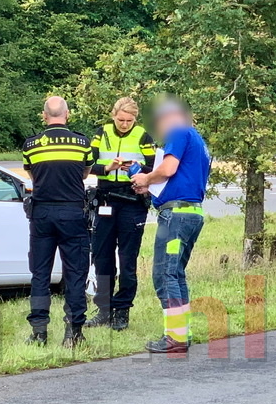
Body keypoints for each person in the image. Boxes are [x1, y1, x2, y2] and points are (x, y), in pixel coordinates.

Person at [130, 98, 212, 354]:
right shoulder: (198, 140)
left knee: (164, 273)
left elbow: (168, 168)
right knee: (176, 273)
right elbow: (179, 177)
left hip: (176, 215)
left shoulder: (179, 131)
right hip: (191, 213)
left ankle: (175, 337)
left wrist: (146, 177)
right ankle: (182, 332)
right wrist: (148, 184)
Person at [21, 95, 96, 348]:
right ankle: (73, 333)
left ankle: (39, 332)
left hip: (42, 214)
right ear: (68, 114)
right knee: (75, 273)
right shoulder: (82, 143)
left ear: (44, 116)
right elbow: (85, 173)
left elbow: (33, 176)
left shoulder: (30, 145)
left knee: (40, 273)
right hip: (73, 213)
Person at [86, 97, 157, 331]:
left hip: (132, 200)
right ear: (113, 115)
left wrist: (134, 168)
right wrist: (108, 167)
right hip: (106, 198)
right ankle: (104, 310)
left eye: (129, 120)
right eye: (120, 119)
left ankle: (122, 311)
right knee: (102, 257)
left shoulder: (143, 135)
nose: (125, 124)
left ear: (135, 119)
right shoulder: (102, 133)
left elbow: (154, 168)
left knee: (127, 260)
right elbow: (87, 165)